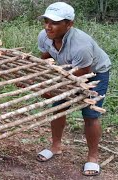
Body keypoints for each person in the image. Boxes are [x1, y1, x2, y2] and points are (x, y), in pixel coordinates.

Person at [36, 2, 111, 176]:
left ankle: (93, 158)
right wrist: (43, 77)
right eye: (46, 21)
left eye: (54, 22)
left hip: (94, 72)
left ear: (69, 24)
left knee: (90, 114)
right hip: (68, 70)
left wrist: (55, 86)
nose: (48, 26)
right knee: (58, 108)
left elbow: (83, 72)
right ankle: (56, 146)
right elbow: (47, 55)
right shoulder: (44, 35)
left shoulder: (81, 45)